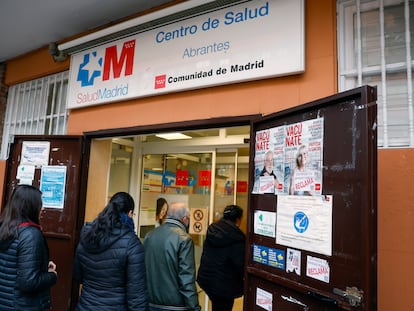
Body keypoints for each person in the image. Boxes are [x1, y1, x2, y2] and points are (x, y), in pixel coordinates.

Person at [73, 192, 148, 311]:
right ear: (129, 213)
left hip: (85, 306)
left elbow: (78, 276)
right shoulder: (131, 243)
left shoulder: (87, 235)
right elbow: (136, 295)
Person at [0, 185, 57, 311]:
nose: (43, 208)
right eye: (40, 204)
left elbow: (13, 265)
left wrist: (42, 266)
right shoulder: (30, 234)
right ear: (31, 206)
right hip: (22, 305)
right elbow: (28, 282)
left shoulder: (5, 228)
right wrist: (52, 276)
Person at [144, 202, 201, 311]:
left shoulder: (150, 235)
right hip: (175, 306)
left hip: (150, 304)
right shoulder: (184, 239)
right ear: (184, 219)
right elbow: (186, 279)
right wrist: (194, 307)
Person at [197, 205, 245, 311]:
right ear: (238, 219)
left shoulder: (213, 230)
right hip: (224, 284)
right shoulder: (237, 237)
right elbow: (239, 264)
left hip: (207, 279)